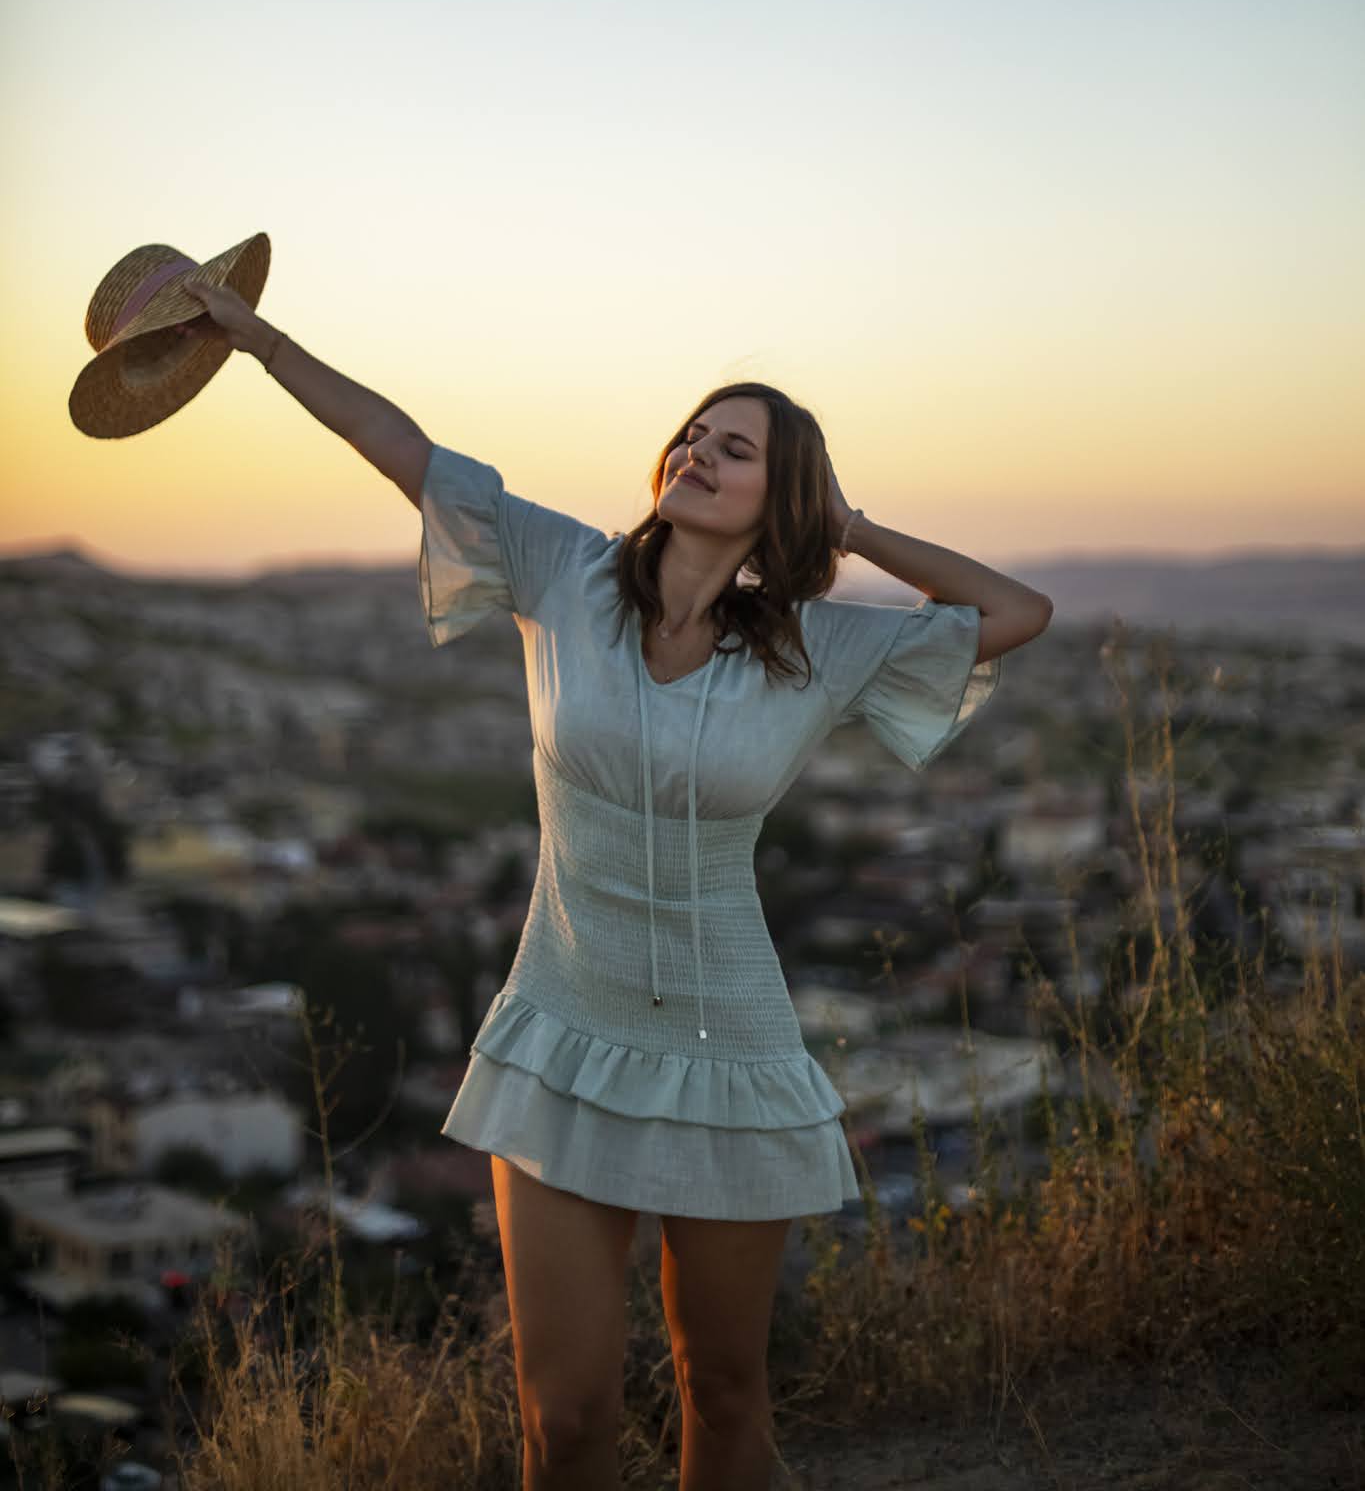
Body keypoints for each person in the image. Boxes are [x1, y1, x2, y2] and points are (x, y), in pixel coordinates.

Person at [178, 278, 1052, 1491]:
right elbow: (403, 446)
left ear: (782, 496)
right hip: (562, 1031)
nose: (698, 450)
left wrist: (847, 526)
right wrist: (259, 341)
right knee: (566, 1417)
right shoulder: (567, 574)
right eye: (694, 432)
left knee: (724, 1391)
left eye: (736, 448)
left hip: (732, 1048)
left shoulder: (815, 647)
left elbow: (1017, 609)